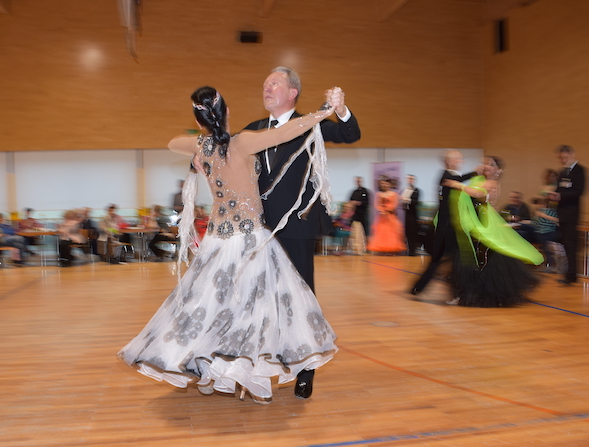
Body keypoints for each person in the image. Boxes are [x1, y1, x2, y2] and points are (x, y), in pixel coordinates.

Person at [119, 86, 340, 404]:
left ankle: (211, 371)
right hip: (250, 241)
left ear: (200, 120)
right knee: (252, 312)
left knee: (212, 309)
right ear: (226, 112)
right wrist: (324, 111)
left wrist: (196, 152)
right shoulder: (244, 142)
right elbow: (288, 131)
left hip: (217, 242)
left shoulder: (201, 145)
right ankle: (245, 377)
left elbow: (172, 143)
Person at [244, 67, 360, 399]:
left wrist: (340, 110)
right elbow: (227, 153)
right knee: (261, 299)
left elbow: (350, 134)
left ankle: (306, 370)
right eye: (265, 83)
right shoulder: (255, 129)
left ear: (293, 92)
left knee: (301, 300)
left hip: (297, 226)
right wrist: (199, 159)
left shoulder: (312, 124)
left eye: (274, 83)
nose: (267, 87)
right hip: (262, 230)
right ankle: (263, 366)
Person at [443, 156, 542, 306]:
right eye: (484, 163)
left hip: (483, 226)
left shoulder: (492, 183)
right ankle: (462, 294)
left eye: (490, 164)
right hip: (474, 224)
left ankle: (471, 294)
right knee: (466, 260)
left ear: (497, 170)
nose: (486, 166)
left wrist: (457, 184)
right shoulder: (478, 180)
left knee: (481, 261)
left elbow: (478, 194)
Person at [410, 150, 479, 296]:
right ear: (450, 161)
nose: (461, 162)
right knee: (443, 259)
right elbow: (458, 180)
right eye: (459, 159)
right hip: (446, 226)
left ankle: (422, 287)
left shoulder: (448, 177)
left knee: (452, 259)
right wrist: (475, 173)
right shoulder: (446, 176)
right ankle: (423, 287)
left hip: (448, 225)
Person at [552, 145, 588, 285]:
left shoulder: (580, 170)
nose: (563, 160)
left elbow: (579, 191)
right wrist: (554, 195)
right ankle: (569, 273)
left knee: (571, 245)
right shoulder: (562, 172)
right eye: (561, 158)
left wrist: (561, 196)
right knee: (566, 244)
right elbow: (559, 189)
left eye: (565, 157)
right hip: (562, 213)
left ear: (572, 154)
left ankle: (572, 275)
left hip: (572, 213)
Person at [367, 177, 406, 254]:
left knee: (392, 232)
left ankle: (392, 249)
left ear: (390, 185)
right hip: (382, 217)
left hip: (391, 216)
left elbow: (395, 204)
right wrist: (382, 210)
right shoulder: (379, 194)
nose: (385, 185)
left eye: (387, 184)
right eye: (383, 184)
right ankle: (383, 249)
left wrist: (388, 210)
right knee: (382, 233)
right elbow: (377, 204)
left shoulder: (394, 194)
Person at [533, 193, 562, 272]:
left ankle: (550, 264)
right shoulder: (539, 211)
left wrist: (544, 216)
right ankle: (546, 263)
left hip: (548, 232)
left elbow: (558, 221)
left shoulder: (552, 211)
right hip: (540, 232)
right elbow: (535, 223)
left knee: (546, 242)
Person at [400, 174, 420, 256]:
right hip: (406, 213)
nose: (410, 180)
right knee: (407, 232)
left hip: (413, 214)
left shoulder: (416, 190)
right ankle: (408, 249)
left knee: (413, 232)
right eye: (409, 179)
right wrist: (403, 202)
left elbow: (415, 202)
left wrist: (406, 200)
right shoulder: (404, 190)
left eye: (412, 179)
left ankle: (413, 250)